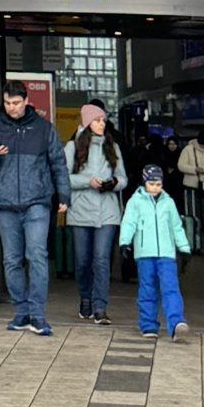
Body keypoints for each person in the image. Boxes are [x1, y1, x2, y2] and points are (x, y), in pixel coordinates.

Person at [0, 79, 70, 336]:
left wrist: (64, 195)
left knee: (36, 255)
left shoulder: (44, 129)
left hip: (37, 201)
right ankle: (21, 312)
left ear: (26, 101)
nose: (11, 107)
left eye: (16, 103)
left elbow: (58, 164)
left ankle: (37, 314)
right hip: (6, 203)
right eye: (7, 103)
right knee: (12, 259)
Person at [62, 101, 130, 324]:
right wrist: (87, 181)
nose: (102, 124)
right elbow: (63, 178)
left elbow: (123, 178)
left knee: (101, 260)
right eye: (98, 120)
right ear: (87, 122)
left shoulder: (113, 147)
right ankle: (85, 298)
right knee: (82, 261)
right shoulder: (72, 147)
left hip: (107, 211)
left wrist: (113, 183)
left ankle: (100, 306)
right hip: (80, 211)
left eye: (103, 120)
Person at [119, 162, 190, 339]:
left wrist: (184, 248)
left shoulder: (168, 202)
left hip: (166, 253)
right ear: (144, 182)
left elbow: (176, 226)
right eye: (151, 184)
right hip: (145, 253)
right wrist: (125, 242)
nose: (155, 188)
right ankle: (148, 324)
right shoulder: (135, 202)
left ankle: (176, 323)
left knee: (170, 288)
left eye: (158, 184)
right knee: (147, 289)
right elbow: (129, 222)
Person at [176, 128, 204, 252]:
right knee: (193, 218)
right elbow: (180, 166)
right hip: (191, 187)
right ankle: (194, 245)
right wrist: (195, 169)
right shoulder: (189, 149)